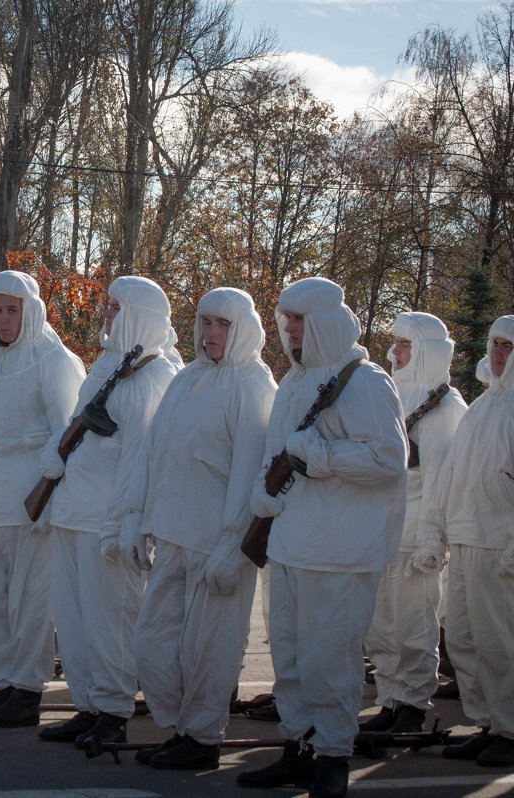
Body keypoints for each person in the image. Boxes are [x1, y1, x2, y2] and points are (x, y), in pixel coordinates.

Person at [236, 277, 406, 798]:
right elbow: (281, 450)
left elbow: (388, 461)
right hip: (289, 540)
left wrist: (322, 456)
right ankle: (298, 746)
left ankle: (333, 755)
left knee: (329, 659)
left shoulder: (365, 381)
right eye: (285, 320)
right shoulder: (293, 381)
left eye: (299, 320)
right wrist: (264, 495)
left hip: (339, 550)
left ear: (326, 324)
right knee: (288, 655)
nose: (288, 329)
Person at [112, 287, 275, 768]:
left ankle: (202, 739)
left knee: (210, 648)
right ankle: (182, 727)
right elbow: (153, 452)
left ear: (243, 328)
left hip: (216, 546)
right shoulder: (186, 380)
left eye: (221, 324)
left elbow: (249, 472)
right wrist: (137, 517)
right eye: (205, 322)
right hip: (173, 536)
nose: (210, 334)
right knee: (154, 642)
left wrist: (233, 546)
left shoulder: (254, 386)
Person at [40, 276, 183, 747]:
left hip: (108, 520)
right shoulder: (106, 367)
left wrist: (124, 522)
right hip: (73, 511)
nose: (107, 316)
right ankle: (88, 704)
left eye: (117, 308)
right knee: (75, 620)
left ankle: (114, 710)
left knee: (112, 623)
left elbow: (142, 460)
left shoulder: (154, 376)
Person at [0, 270, 87, 726]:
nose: (2, 320)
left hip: (29, 502)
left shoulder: (54, 360)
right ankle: (3, 682)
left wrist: (52, 503)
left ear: (30, 309)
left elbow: (67, 435)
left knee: (29, 601)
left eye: (12, 310)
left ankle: (27, 689)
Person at [357, 313, 468, 735]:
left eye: (404, 345)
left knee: (414, 627)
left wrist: (431, 542)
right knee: (381, 628)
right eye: (394, 343)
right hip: (379, 534)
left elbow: (442, 481)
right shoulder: (389, 396)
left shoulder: (445, 406)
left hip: (415, 539)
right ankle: (389, 699)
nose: (394, 352)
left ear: (424, 351)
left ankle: (412, 705)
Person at [421, 315, 514, 766]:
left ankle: (510, 729)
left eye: (508, 346)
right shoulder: (481, 407)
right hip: (464, 540)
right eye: (495, 343)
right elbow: (453, 475)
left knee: (499, 644)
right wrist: (437, 531)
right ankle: (488, 722)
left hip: (499, 546)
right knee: (462, 638)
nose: (498, 353)